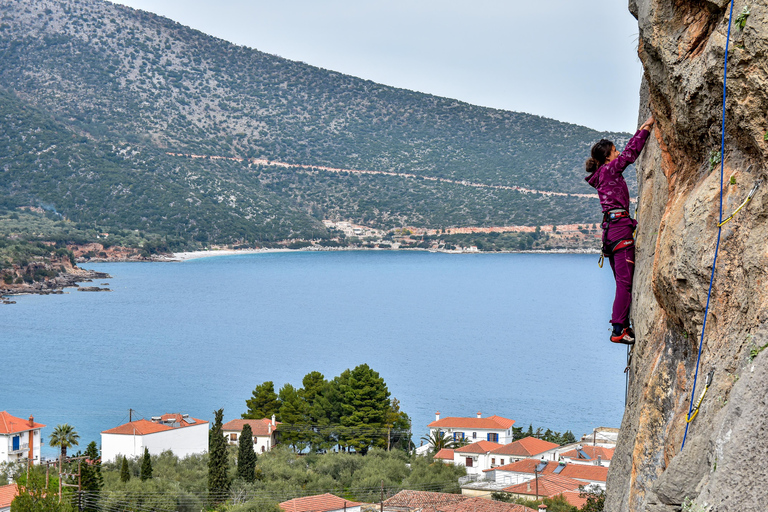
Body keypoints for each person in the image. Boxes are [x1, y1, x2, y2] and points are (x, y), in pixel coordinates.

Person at [585, 116, 655, 344]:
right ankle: (618, 330)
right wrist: (645, 128)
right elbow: (630, 155)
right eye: (613, 151)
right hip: (619, 229)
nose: (617, 153)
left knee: (621, 281)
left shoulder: (601, 176)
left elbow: (624, 154)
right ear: (607, 158)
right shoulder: (609, 171)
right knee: (625, 282)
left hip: (611, 231)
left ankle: (621, 325)